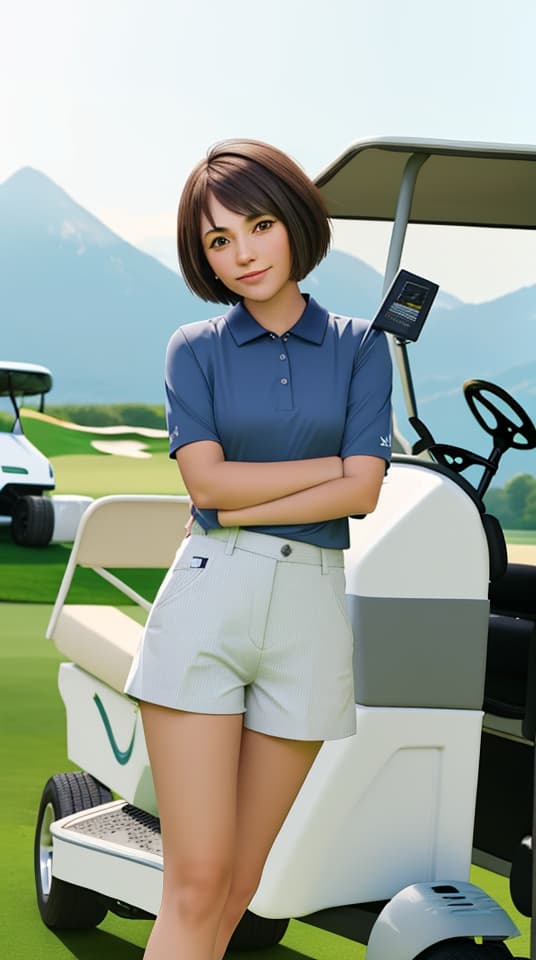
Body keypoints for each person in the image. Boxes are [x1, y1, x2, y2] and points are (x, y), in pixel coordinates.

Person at [124, 138, 392, 960]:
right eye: (217, 240)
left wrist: (251, 499)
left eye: (258, 226)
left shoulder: (360, 344)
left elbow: (365, 492)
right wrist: (323, 469)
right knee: (196, 882)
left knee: (242, 885)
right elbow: (205, 487)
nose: (241, 254)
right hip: (210, 596)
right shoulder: (193, 349)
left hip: (309, 608)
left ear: (295, 224)